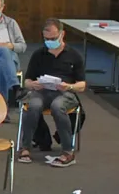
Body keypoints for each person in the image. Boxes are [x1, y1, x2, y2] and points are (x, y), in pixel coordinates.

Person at [17, 19, 87, 168]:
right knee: (33, 105)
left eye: (53, 39)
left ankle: (68, 151)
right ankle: (25, 147)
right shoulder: (38, 54)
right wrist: (33, 84)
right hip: (42, 91)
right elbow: (27, 81)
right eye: (46, 39)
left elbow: (82, 85)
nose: (50, 42)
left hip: (65, 93)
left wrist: (68, 86)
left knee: (57, 106)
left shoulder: (74, 55)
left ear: (62, 34)